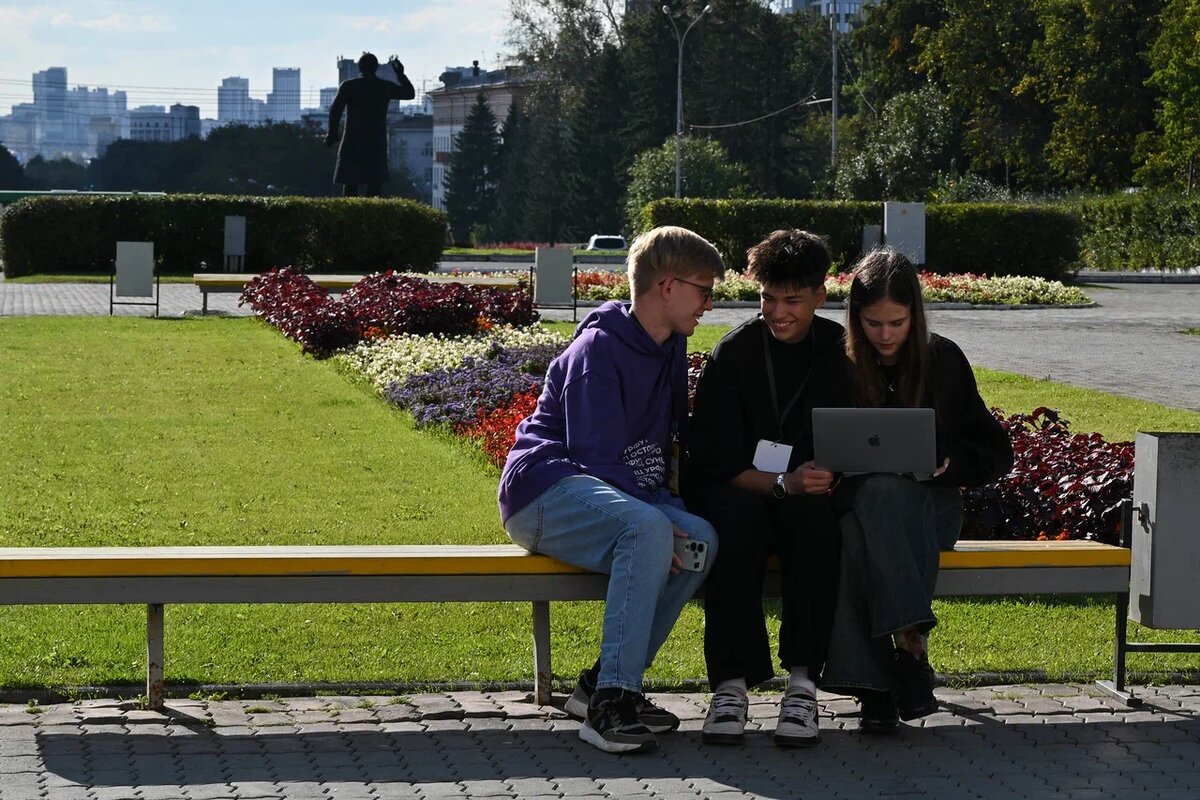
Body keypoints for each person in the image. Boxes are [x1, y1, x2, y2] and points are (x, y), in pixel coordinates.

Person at [498, 226, 725, 755]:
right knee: (649, 529)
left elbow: (672, 437)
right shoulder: (597, 350)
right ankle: (611, 706)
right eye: (703, 289)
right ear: (667, 287)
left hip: (620, 497)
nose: (710, 303)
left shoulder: (670, 344)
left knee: (701, 542)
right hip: (543, 491)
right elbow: (596, 459)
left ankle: (598, 683)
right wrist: (656, 517)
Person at [822, 248, 1013, 733]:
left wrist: (950, 464)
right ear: (855, 317)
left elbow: (995, 453)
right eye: (872, 323)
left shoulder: (942, 360)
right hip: (859, 509)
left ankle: (874, 687)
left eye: (897, 322)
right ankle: (909, 655)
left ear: (916, 315)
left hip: (933, 508)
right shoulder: (839, 365)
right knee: (868, 509)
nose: (884, 335)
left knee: (870, 515)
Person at [684, 229, 851, 748]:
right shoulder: (735, 353)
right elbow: (711, 461)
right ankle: (731, 686)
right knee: (734, 522)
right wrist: (784, 482)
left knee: (817, 523)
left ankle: (803, 684)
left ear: (821, 297)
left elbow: (862, 439)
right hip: (744, 489)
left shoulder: (839, 352)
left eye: (793, 301)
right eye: (768, 299)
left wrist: (828, 475)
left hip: (809, 496)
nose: (778, 312)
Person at [324, 52, 416, 197]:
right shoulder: (383, 87)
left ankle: (349, 218)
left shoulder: (349, 86)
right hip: (375, 141)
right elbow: (409, 93)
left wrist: (332, 133)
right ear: (376, 68)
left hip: (353, 140)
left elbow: (335, 110)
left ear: (360, 68)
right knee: (374, 186)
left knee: (350, 185)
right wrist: (400, 75)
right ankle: (373, 217)